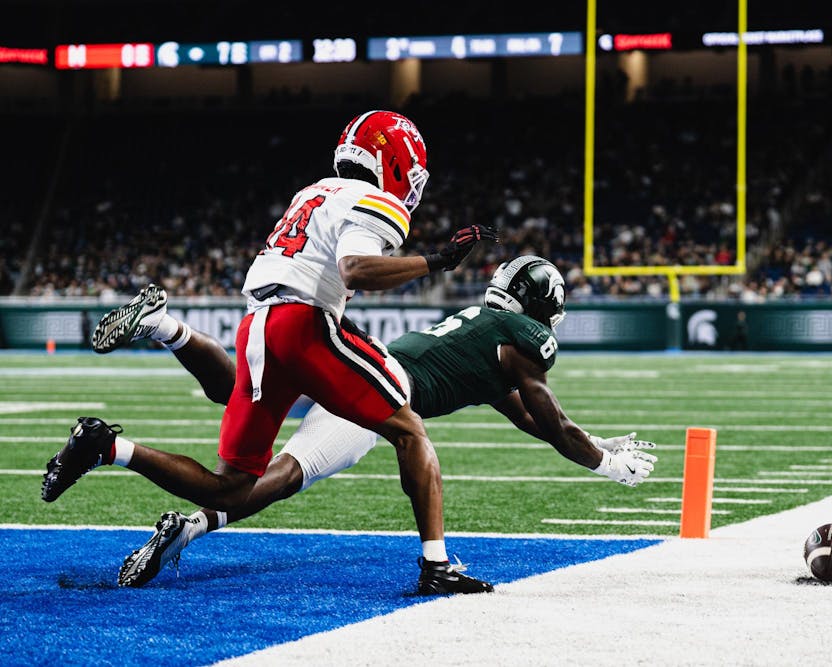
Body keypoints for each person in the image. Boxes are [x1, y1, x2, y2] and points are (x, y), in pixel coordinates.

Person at [41, 109, 498, 594]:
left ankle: (110, 444)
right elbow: (356, 270)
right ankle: (437, 566)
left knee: (229, 486)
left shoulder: (313, 192)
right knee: (408, 429)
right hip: (303, 326)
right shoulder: (378, 200)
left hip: (258, 321)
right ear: (396, 162)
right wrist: (438, 261)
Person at [93, 256, 657, 589]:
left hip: (359, 371)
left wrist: (595, 442)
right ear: (541, 306)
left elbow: (530, 418)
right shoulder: (523, 340)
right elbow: (552, 422)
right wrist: (607, 465)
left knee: (237, 397)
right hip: (376, 392)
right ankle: (436, 564)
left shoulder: (489, 335)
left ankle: (169, 330)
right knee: (287, 474)